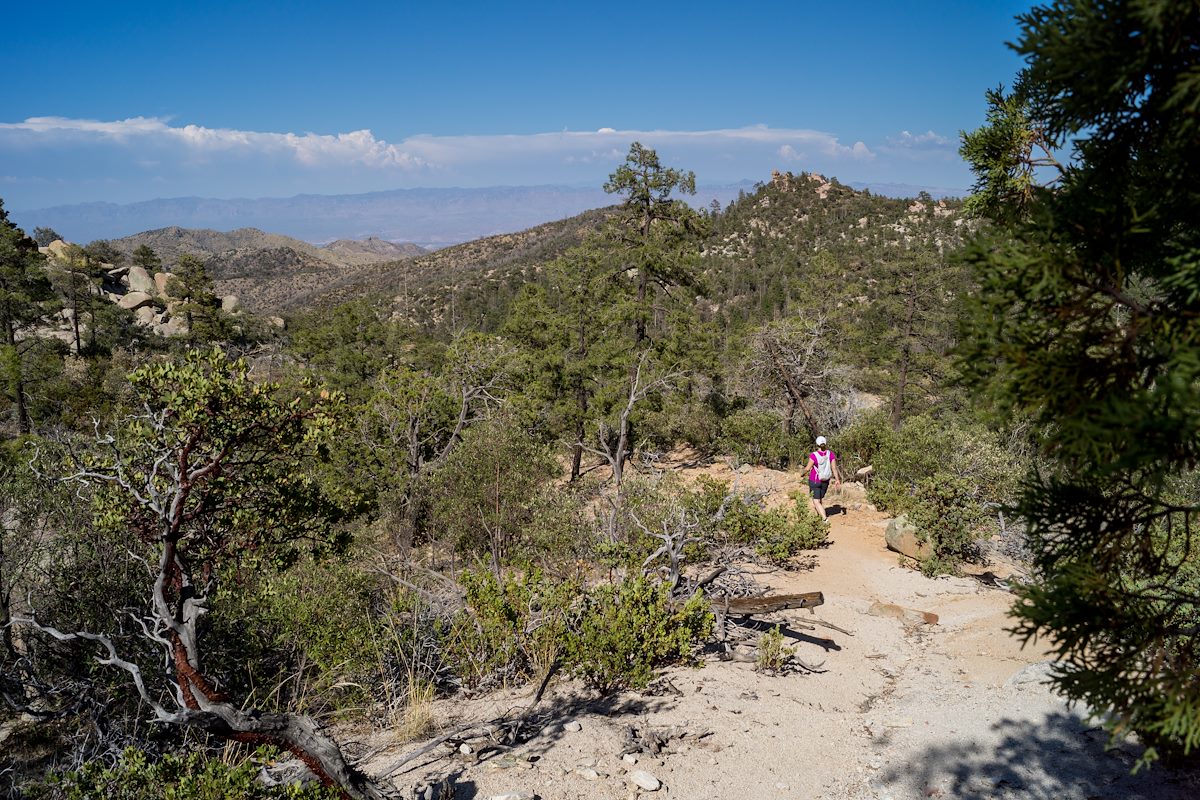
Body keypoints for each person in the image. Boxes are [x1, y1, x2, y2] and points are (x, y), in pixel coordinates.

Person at [807, 435, 842, 521]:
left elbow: (807, 468)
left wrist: (801, 474)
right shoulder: (830, 454)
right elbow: (834, 468)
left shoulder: (813, 455)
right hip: (825, 480)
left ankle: (824, 519)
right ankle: (819, 516)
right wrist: (837, 480)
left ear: (817, 444)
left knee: (816, 501)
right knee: (819, 499)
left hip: (815, 480)